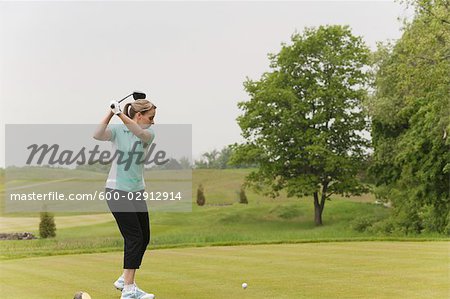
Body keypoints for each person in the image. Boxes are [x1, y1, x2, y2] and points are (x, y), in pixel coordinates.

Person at [93, 98, 157, 299]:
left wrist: (120, 114)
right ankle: (129, 290)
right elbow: (97, 134)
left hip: (137, 191)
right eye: (151, 117)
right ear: (139, 115)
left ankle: (124, 279)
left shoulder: (149, 134)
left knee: (144, 237)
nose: (153, 121)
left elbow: (139, 132)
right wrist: (111, 113)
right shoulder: (118, 132)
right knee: (134, 237)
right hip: (117, 190)